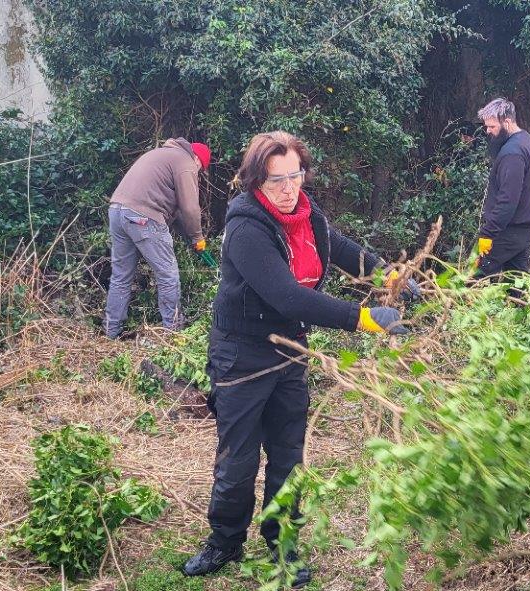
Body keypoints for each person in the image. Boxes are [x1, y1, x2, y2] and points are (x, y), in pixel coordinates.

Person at [181, 131, 416, 587]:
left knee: (288, 455)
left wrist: (391, 273)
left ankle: (281, 541)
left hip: (290, 351)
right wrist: (366, 318)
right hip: (241, 355)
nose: (289, 189)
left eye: (295, 177)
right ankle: (225, 542)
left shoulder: (307, 213)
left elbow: (342, 248)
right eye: (276, 181)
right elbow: (288, 297)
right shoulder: (246, 227)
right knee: (239, 459)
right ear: (255, 182)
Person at [104, 138, 212, 336]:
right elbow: (189, 208)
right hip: (144, 217)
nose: (198, 173)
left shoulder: (160, 154)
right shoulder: (186, 163)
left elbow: (177, 213)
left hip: (117, 211)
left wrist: (189, 238)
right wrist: (197, 237)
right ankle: (173, 333)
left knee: (121, 276)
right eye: (200, 169)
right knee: (168, 276)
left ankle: (112, 332)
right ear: (198, 160)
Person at [473, 98, 530, 278]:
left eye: (492, 127)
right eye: (486, 127)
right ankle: (518, 306)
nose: (488, 131)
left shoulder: (513, 153)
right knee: (516, 286)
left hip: (507, 231)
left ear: (507, 122)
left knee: (472, 278)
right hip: (524, 230)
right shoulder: (526, 140)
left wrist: (488, 233)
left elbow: (508, 199)